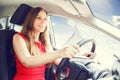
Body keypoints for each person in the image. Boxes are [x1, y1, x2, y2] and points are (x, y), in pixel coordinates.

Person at [12, 6, 95, 80]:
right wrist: (59, 52)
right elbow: (27, 61)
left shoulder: (43, 43)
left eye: (45, 19)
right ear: (31, 20)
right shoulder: (19, 37)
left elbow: (60, 61)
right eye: (38, 18)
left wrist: (81, 57)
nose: (43, 21)